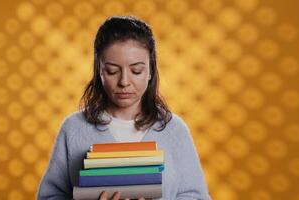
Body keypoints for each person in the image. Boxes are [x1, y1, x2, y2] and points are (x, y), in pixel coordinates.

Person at [37, 16, 212, 200]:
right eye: (112, 70)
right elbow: (50, 196)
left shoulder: (174, 130)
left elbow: (196, 196)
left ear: (151, 70)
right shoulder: (73, 128)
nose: (124, 82)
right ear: (99, 70)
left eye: (136, 71)